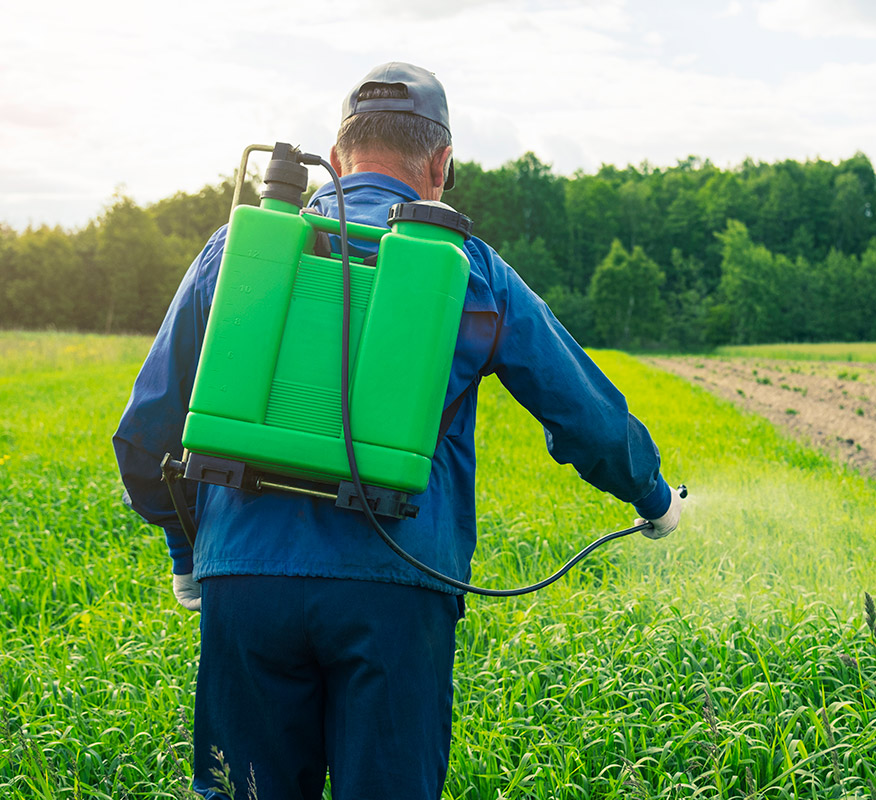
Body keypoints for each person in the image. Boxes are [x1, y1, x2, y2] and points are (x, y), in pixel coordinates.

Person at [113, 62, 683, 800]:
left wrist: (188, 551)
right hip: (397, 589)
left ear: (337, 155)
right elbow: (584, 413)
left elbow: (143, 436)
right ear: (441, 166)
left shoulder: (239, 249)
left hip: (245, 580)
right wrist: (652, 495)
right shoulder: (468, 269)